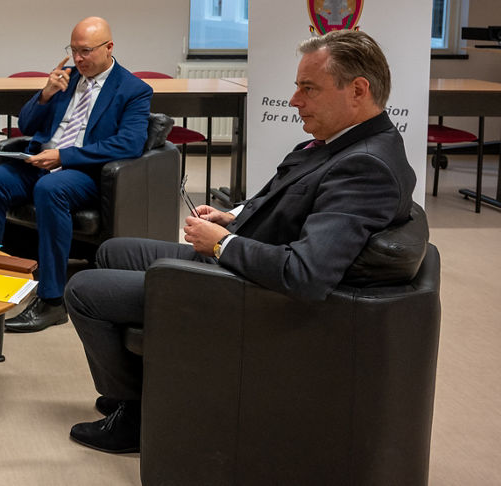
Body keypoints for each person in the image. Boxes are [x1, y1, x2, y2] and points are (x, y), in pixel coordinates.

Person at [64, 29, 415, 454]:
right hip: (247, 260)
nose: (294, 101)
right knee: (109, 251)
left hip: (250, 290)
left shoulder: (364, 166)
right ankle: (146, 388)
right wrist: (233, 216)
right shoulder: (346, 144)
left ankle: (135, 413)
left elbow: (305, 274)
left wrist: (220, 244)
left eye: (308, 88)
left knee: (83, 290)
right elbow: (288, 201)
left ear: (357, 90)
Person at [0, 16, 152, 333]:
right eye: (73, 51)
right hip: (43, 160)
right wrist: (45, 93)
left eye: (85, 51)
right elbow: (27, 126)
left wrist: (64, 156)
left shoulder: (133, 89)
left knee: (50, 188)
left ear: (109, 47)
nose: (78, 59)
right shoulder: (66, 78)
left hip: (84, 171)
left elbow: (130, 143)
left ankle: (52, 301)